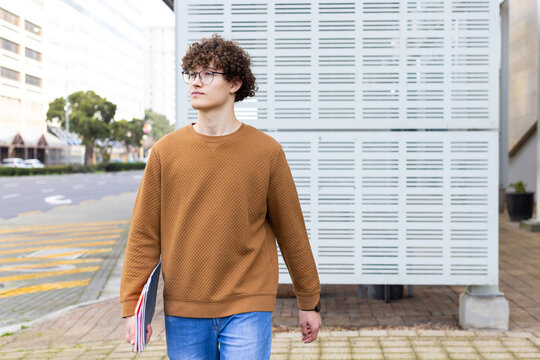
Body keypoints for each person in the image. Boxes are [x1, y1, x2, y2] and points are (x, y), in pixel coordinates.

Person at [121, 33, 321, 360]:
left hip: (249, 303)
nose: (195, 82)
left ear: (235, 83)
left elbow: (291, 230)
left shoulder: (266, 152)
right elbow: (144, 233)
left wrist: (309, 301)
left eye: (207, 74)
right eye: (192, 74)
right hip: (184, 304)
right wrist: (132, 307)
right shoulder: (165, 152)